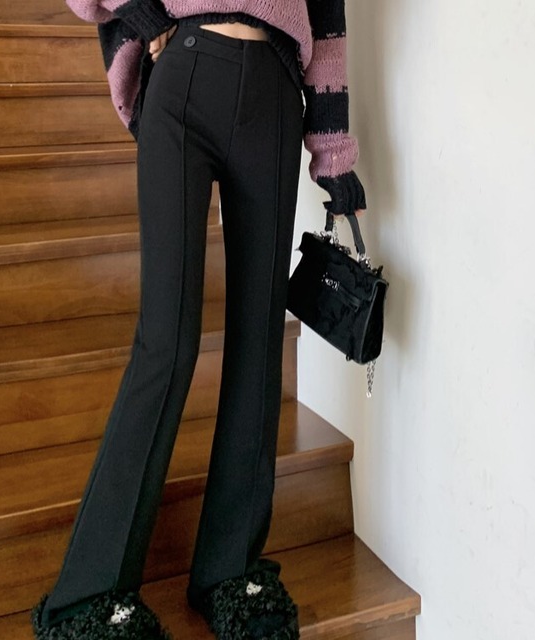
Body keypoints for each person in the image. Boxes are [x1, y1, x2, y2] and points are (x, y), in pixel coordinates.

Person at [31, 1, 366, 639]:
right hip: (184, 73)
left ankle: (229, 571)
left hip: (275, 90)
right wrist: (139, 14)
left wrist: (333, 153)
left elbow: (327, 19)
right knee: (168, 343)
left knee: (259, 341)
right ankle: (90, 592)